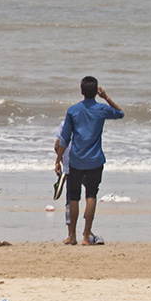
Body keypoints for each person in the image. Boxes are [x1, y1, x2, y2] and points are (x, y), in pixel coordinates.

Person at [56, 76, 124, 246]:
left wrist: (58, 160)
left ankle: (72, 236)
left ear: (81, 91)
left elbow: (64, 139)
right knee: (91, 196)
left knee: (73, 198)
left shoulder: (73, 110)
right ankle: (86, 237)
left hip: (76, 160)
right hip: (95, 159)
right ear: (96, 92)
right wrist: (106, 97)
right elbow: (120, 113)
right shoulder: (101, 109)